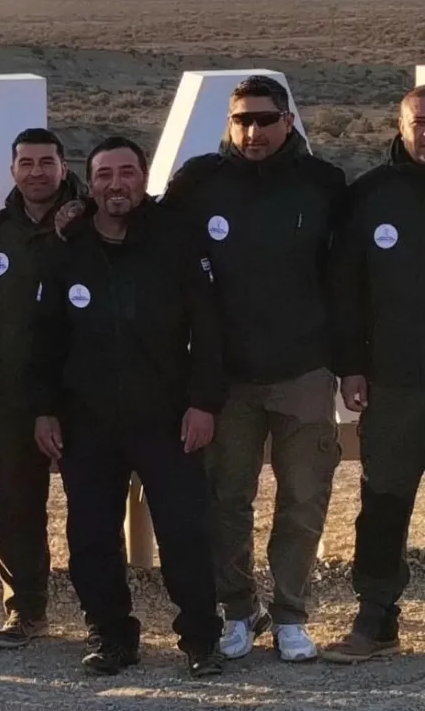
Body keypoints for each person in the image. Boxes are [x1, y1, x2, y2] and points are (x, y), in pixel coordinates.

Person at [159, 75, 347, 663]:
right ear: (229, 123)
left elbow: (346, 278)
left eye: (265, 119)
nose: (253, 131)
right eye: (242, 120)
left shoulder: (324, 184)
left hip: (305, 371)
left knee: (303, 498)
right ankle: (238, 610)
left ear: (288, 121)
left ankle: (292, 615)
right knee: (226, 500)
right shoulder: (198, 183)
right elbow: (150, 241)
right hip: (227, 378)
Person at [33, 136, 225, 678]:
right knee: (91, 534)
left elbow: (208, 331)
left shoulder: (177, 239)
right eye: (104, 175)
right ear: (88, 184)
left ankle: (199, 640)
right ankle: (111, 636)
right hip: (86, 418)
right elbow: (45, 339)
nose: (116, 184)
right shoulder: (67, 246)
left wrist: (203, 404)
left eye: (127, 173)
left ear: (145, 177)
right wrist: (45, 410)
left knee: (184, 530)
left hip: (167, 416)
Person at [0, 128, 86, 648]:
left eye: (46, 162)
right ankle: (26, 612)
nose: (36, 172)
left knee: (90, 503)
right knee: (14, 504)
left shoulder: (88, 223)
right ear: (12, 170)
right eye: (26, 163)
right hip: (13, 391)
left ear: (63, 166)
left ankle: (101, 612)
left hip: (81, 390)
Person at [323, 85, 425, 662]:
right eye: (421, 122)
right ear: (401, 126)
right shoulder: (371, 195)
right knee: (384, 501)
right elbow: (346, 290)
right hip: (394, 379)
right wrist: (352, 366)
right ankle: (378, 617)